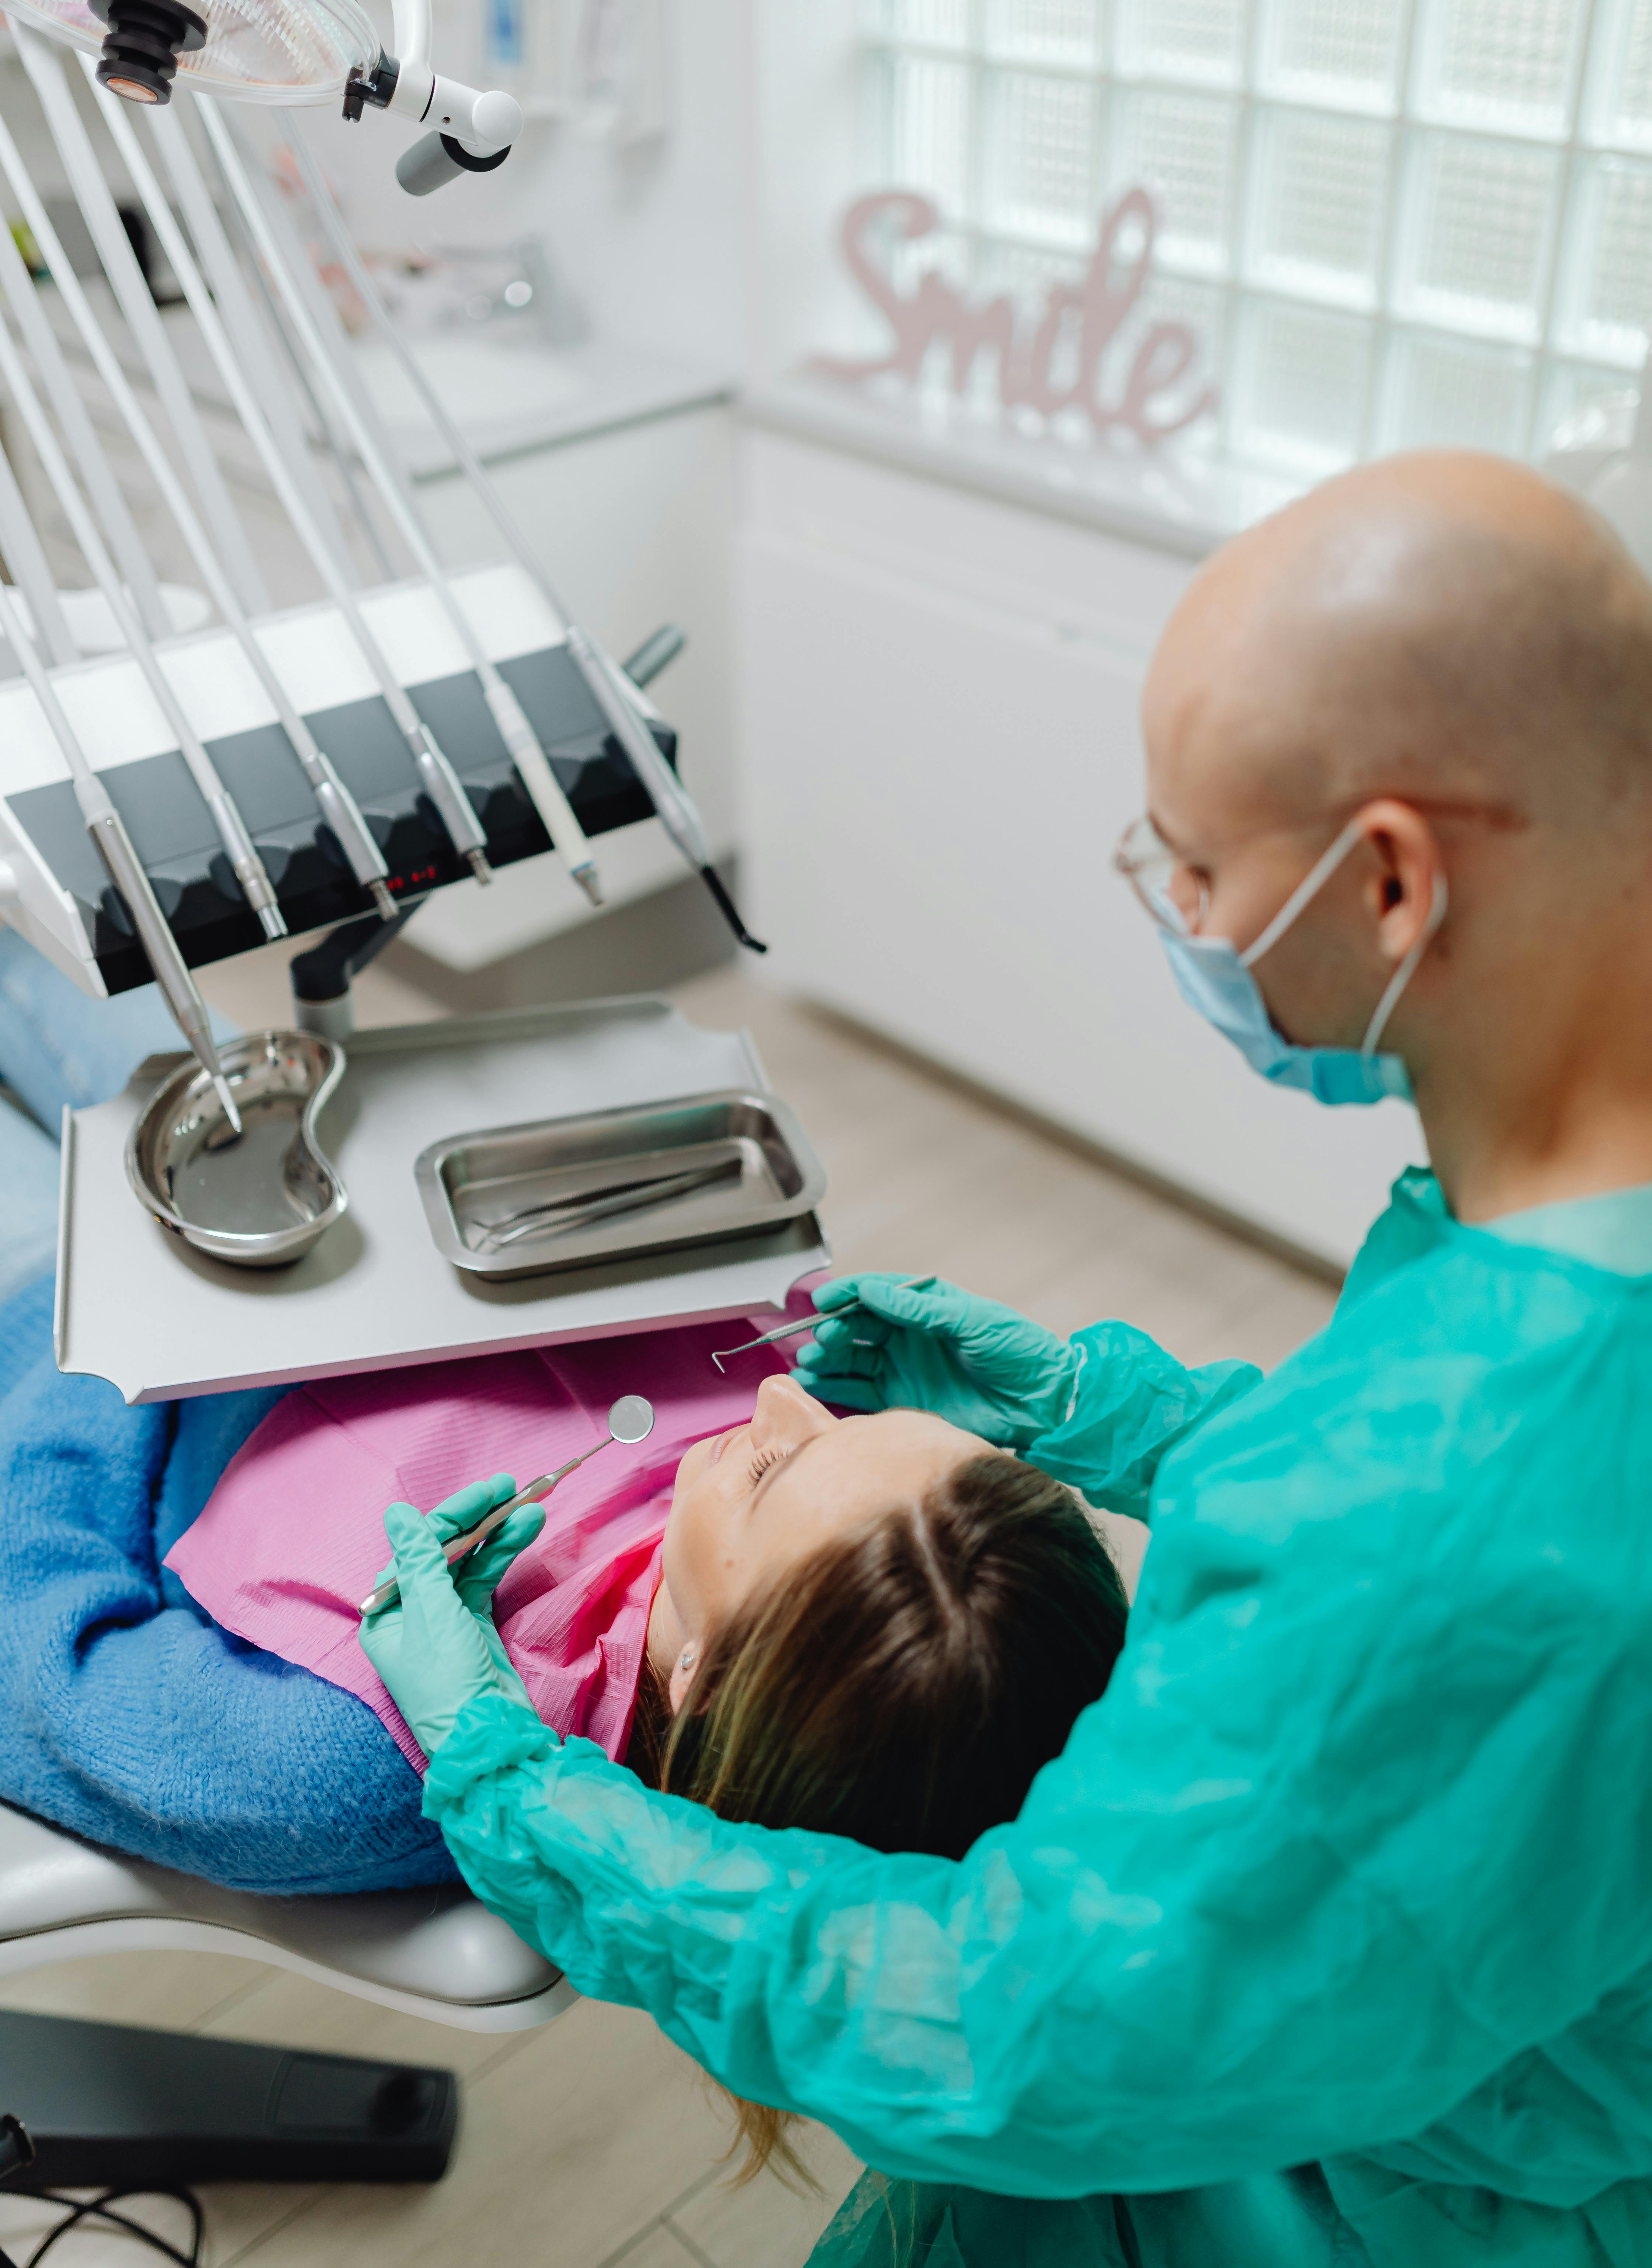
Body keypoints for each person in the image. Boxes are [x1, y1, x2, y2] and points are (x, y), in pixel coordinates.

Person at [364, 449, 1652, 2267]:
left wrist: (526, 1797)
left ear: (1387, 885)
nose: (1188, 923)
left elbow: (1009, 2035)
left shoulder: (1435, 1502)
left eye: (1196, 870)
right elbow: (1535, 1539)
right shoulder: (1557, 1280)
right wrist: (1114, 1417)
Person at [0, 932, 1125, 1942]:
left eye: (779, 1466)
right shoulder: (811, 1460)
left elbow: (35, 1652)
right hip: (270, 1243)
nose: (782, 1404)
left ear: (700, 1675)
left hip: (69, 1383)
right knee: (57, 946)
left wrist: (120, 1317)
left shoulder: (344, 1766)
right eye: (873, 1426)